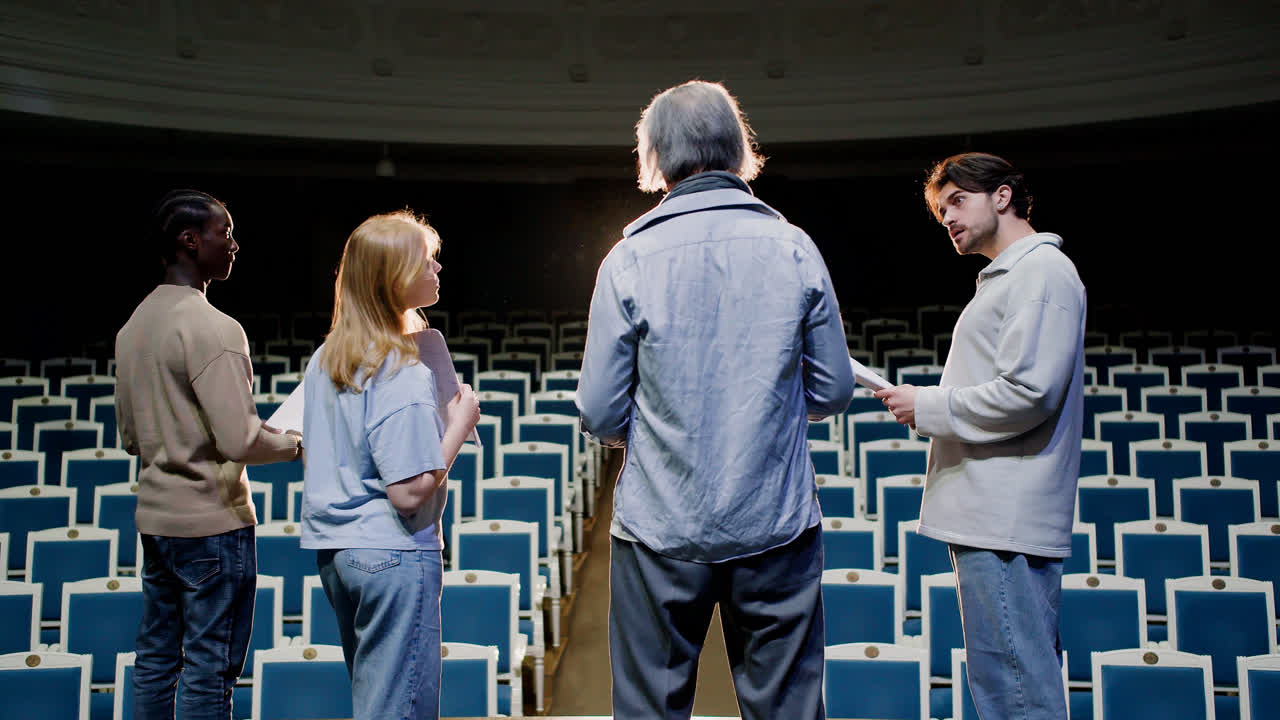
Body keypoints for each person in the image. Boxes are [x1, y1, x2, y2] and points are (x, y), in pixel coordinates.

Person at [576, 80, 855, 720]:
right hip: (776, 523)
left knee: (651, 709)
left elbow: (597, 411)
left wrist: (654, 434)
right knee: (785, 708)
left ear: (657, 156)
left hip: (659, 527)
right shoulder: (794, 247)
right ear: (738, 149)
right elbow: (834, 390)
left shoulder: (628, 260)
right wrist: (772, 417)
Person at [874, 152, 1086, 720]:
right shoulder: (1015, 276)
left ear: (1002, 196)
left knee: (1016, 695)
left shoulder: (1041, 272)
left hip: (1005, 520)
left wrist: (929, 406)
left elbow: (1029, 394)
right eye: (941, 210)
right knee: (1008, 688)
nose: (947, 217)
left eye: (957, 202)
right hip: (995, 515)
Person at [115, 189, 302, 720]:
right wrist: (295, 444)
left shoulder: (132, 328)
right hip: (212, 527)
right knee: (208, 670)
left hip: (156, 521)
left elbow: (130, 435)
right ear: (189, 241)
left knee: (153, 661)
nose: (235, 244)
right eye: (225, 233)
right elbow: (239, 441)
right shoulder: (216, 328)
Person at [300, 210, 480, 720]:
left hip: (339, 555)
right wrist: (460, 425)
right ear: (395, 278)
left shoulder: (326, 357)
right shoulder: (400, 367)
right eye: (427, 262)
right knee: (400, 710)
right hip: (393, 554)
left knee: (376, 703)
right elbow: (408, 491)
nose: (438, 270)